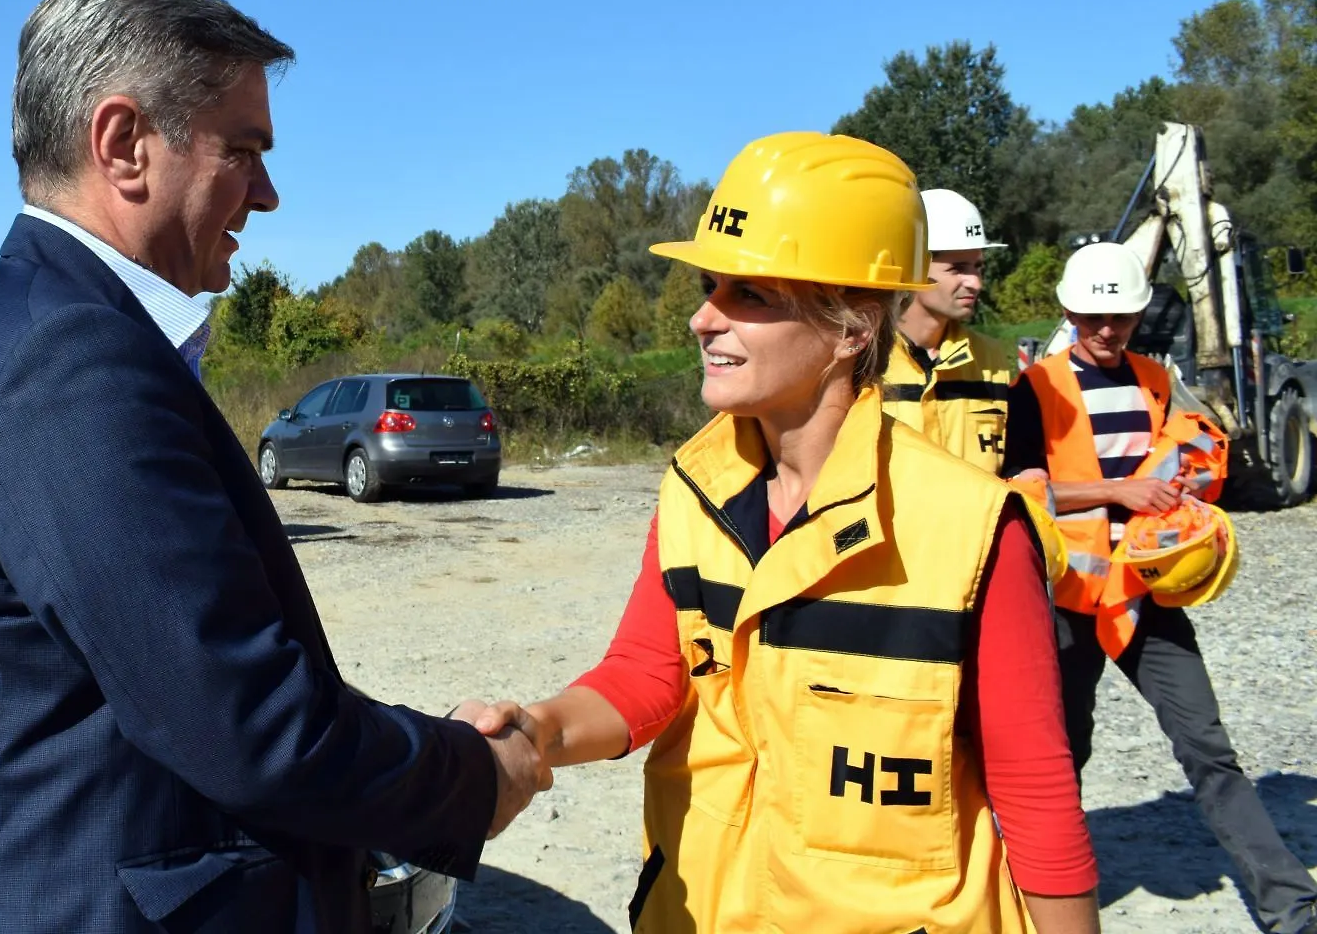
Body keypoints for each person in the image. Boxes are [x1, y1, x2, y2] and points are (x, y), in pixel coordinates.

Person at [0, 0, 547, 934]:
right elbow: (250, 721)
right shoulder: (72, 365)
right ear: (125, 143)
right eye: (244, 148)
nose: (267, 193)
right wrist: (470, 775)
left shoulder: (12, 323)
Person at [460, 132, 1100, 934]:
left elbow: (1036, 792)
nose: (702, 318)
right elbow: (648, 673)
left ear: (852, 330)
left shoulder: (972, 530)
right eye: (709, 286)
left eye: (750, 295)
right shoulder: (697, 485)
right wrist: (534, 734)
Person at [1004, 241, 1317, 934]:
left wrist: (1188, 490)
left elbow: (1198, 453)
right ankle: (1032, 901)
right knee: (1060, 758)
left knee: (1208, 747)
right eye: (1092, 318)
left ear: (1141, 313)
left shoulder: (1154, 379)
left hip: (1147, 593)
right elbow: (1022, 492)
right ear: (1067, 311)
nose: (1107, 331)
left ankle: (1290, 907)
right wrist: (1122, 490)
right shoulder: (1037, 387)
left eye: (1119, 317)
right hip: (1070, 602)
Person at [882, 189, 1016, 472]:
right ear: (914, 267)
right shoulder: (865, 360)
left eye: (978, 267)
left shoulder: (991, 359)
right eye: (958, 269)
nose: (975, 283)